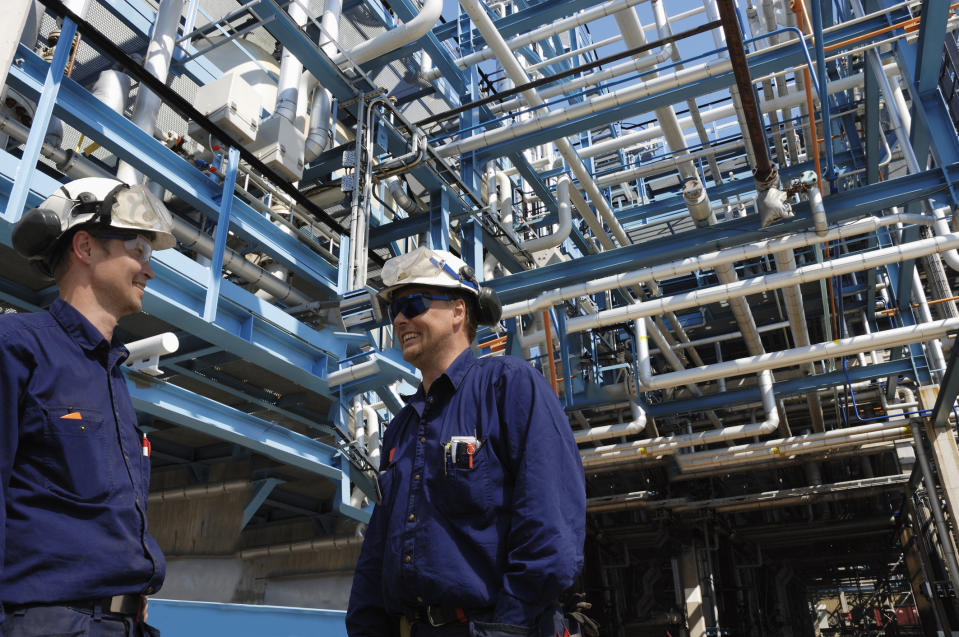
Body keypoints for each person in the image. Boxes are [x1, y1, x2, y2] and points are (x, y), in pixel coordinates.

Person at [347, 246, 586, 637]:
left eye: (413, 303)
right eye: (395, 311)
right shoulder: (401, 429)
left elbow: (550, 529)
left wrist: (506, 627)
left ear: (459, 311)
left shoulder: (508, 386)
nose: (401, 319)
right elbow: (377, 552)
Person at [0, 177, 175, 636]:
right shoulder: (18, 347)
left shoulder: (112, 373)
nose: (148, 270)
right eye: (138, 250)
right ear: (85, 246)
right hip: (52, 621)